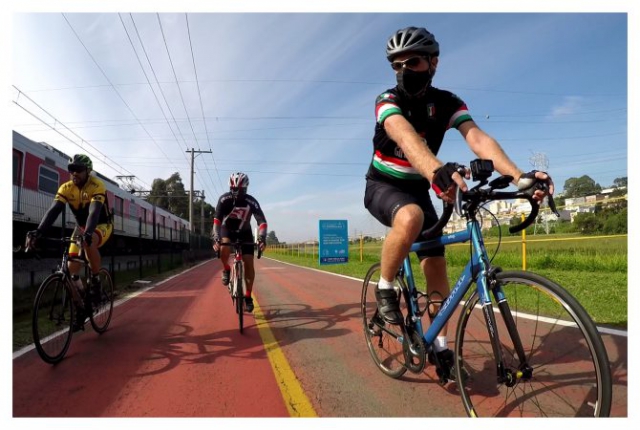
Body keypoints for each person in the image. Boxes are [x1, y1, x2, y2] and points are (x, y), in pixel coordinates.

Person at [364, 26, 554, 378]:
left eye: (413, 62)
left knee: (436, 268)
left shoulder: (447, 102)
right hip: (384, 185)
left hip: (420, 188)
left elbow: (477, 138)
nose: (404, 70)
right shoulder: (387, 99)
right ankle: (385, 287)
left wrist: (519, 177)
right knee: (410, 217)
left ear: (433, 63)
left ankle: (440, 347)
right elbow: (402, 134)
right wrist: (436, 171)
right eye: (397, 65)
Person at [26, 154, 113, 331]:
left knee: (88, 242)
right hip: (80, 228)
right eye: (71, 169)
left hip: (101, 225)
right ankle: (81, 308)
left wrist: (88, 233)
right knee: (70, 273)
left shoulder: (97, 185)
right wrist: (39, 232)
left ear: (88, 171)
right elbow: (54, 211)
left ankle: (96, 280)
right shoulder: (66, 188)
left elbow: (94, 212)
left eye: (78, 170)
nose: (74, 173)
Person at [212, 172, 268, 312]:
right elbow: (217, 221)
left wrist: (262, 238)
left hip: (245, 233)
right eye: (234, 189)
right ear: (230, 188)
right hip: (227, 230)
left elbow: (262, 222)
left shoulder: (251, 201)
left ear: (246, 189)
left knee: (249, 262)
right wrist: (216, 237)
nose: (236, 193)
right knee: (224, 247)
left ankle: (248, 296)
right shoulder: (224, 199)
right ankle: (226, 268)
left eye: (240, 190)